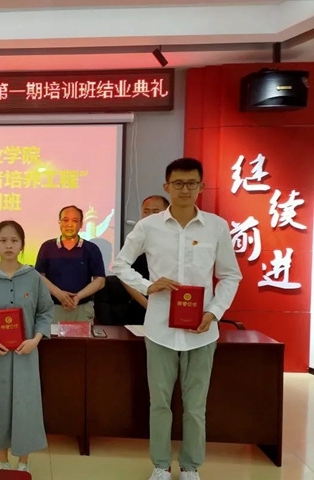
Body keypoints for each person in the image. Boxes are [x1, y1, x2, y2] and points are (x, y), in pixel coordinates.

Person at [112, 158, 242, 480]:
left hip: (202, 331)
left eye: (191, 183)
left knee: (196, 406)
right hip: (160, 329)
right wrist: (148, 285)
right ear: (167, 186)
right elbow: (120, 264)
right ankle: (160, 465)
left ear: (201, 186)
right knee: (160, 403)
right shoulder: (149, 226)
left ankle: (190, 467)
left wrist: (214, 311)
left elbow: (230, 275)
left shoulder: (216, 227)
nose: (185, 190)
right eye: (178, 183)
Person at [0, 220, 53, 472]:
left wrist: (35, 340)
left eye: (14, 240)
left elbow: (45, 313)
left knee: (25, 406)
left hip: (26, 354)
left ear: (22, 245)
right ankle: (3, 462)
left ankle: (23, 463)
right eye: (3, 240)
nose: (9, 245)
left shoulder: (33, 278)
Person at [35, 205, 106, 323]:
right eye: (65, 220)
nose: (69, 224)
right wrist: (59, 294)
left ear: (81, 224)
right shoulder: (47, 247)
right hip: (54, 308)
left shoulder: (91, 249)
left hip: (82, 309)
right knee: (52, 336)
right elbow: (39, 277)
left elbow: (100, 281)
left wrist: (78, 297)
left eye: (74, 221)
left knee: (84, 336)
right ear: (59, 222)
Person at [122, 195, 171, 324]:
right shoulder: (136, 239)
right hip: (142, 306)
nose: (149, 216)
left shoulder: (174, 239)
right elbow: (123, 274)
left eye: (155, 212)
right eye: (146, 211)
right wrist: (147, 304)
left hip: (171, 305)